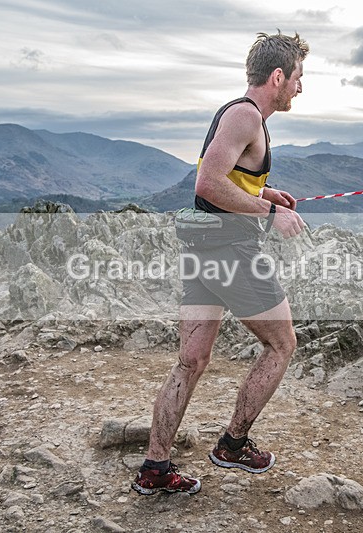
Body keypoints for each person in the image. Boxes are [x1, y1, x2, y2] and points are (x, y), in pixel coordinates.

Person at [131, 31, 309, 496]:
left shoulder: (237, 113)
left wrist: (262, 191)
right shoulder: (246, 117)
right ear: (277, 76)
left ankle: (155, 466)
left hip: (203, 250)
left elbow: (227, 177)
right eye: (297, 78)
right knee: (282, 344)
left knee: (191, 360)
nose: (299, 88)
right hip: (232, 253)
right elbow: (207, 184)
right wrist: (272, 213)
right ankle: (233, 443)